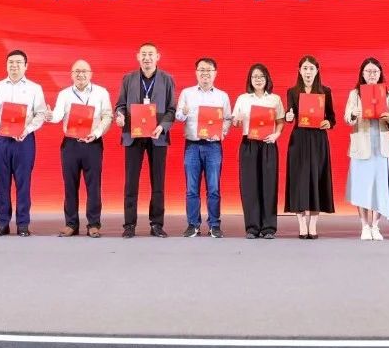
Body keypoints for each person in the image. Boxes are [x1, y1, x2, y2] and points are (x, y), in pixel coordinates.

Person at [0, 50, 47, 237]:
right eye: (11, 62)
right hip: (1, 139)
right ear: (6, 65)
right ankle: (2, 223)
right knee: (2, 182)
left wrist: (27, 129)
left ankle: (23, 223)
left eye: (18, 62)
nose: (14, 65)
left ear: (26, 66)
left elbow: (40, 114)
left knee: (23, 182)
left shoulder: (35, 88)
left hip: (24, 140)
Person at [114, 42, 177, 238]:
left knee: (158, 182)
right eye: (144, 54)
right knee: (131, 182)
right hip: (133, 135)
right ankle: (129, 224)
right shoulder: (128, 78)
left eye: (150, 54)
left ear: (158, 56)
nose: (147, 58)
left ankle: (156, 224)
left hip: (157, 136)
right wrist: (120, 116)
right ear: (137, 57)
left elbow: (172, 109)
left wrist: (162, 126)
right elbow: (120, 105)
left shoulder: (167, 79)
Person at [47, 59, 113, 237]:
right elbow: (57, 115)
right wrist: (50, 116)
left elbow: (108, 116)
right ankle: (71, 224)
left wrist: (96, 133)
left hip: (93, 143)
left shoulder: (101, 92)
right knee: (70, 185)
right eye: (77, 71)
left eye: (84, 71)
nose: (80, 74)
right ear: (71, 75)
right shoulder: (64, 94)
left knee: (94, 185)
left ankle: (94, 224)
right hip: (71, 144)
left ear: (90, 74)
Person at [176, 58, 233, 238]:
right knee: (191, 188)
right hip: (192, 145)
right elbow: (178, 117)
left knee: (214, 187)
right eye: (201, 70)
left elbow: (228, 119)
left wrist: (222, 132)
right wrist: (184, 112)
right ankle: (193, 224)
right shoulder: (187, 93)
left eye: (209, 70)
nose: (205, 73)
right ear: (196, 72)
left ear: (215, 73)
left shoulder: (222, 96)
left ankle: (214, 225)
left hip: (213, 146)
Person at [343, 57, 389, 240]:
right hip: (362, 145)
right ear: (362, 74)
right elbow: (347, 118)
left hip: (381, 145)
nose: (372, 75)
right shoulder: (354, 94)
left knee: (380, 187)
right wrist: (353, 113)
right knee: (362, 187)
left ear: (380, 73)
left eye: (375, 71)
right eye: (368, 71)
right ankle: (365, 226)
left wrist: (388, 119)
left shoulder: (387, 93)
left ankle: (376, 225)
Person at [283, 55, 335, 239]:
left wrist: (328, 123)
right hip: (299, 140)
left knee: (317, 179)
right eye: (305, 68)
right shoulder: (292, 92)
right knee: (299, 180)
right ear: (299, 71)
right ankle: (301, 224)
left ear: (317, 71)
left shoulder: (325, 91)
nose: (308, 72)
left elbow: (332, 117)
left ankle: (313, 224)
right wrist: (288, 117)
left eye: (311, 68)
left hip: (318, 139)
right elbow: (289, 115)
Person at [230, 63, 284, 239]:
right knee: (249, 185)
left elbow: (280, 121)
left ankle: (269, 228)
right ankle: (252, 227)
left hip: (268, 143)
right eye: (254, 76)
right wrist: (236, 121)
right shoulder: (243, 99)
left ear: (267, 79)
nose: (258, 79)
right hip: (249, 144)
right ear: (250, 80)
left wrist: (276, 134)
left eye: (261, 76)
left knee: (269, 185)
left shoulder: (275, 99)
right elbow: (236, 122)